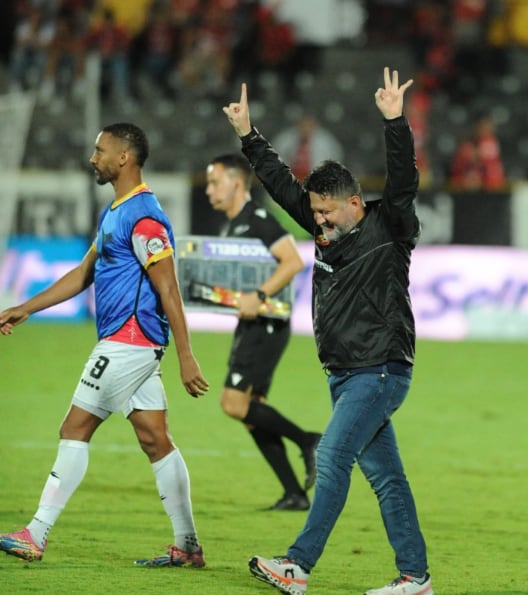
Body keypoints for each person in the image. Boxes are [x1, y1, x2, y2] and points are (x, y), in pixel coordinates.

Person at [222, 67, 433, 594]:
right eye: (313, 212)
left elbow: (405, 179)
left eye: (326, 211)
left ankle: (298, 565)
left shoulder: (390, 227)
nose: (317, 221)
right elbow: (280, 184)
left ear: (356, 203)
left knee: (334, 455)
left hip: (379, 369)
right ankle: (415, 579)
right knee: (387, 478)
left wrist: (395, 122)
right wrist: (249, 137)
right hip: (344, 374)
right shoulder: (322, 227)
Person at [0, 122, 210, 568]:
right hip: (132, 345)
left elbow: (169, 288)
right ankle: (188, 546)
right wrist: (26, 307)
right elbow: (82, 274)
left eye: (100, 150)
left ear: (123, 158)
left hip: (127, 342)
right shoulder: (115, 212)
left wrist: (187, 356)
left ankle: (35, 534)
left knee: (73, 429)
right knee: (156, 441)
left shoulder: (145, 216)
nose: (92, 158)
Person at [204, 153, 321, 511]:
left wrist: (259, 295)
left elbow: (293, 260)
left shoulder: (257, 220)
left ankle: (309, 440)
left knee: (233, 403)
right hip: (253, 323)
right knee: (253, 412)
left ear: (237, 183)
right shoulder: (233, 224)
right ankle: (294, 493)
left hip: (267, 324)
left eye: (214, 182)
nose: (209, 190)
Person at [271, 113, 344, 181]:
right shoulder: (285, 139)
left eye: (309, 125)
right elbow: (275, 156)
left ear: (314, 126)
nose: (305, 129)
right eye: (303, 125)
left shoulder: (326, 141)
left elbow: (336, 158)